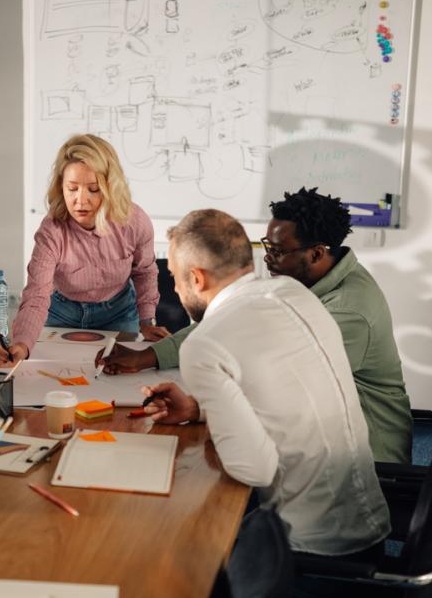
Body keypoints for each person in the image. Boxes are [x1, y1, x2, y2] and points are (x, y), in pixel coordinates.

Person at [99, 187, 412, 463]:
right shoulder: (298, 279)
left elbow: (285, 394)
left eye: (277, 251)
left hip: (363, 455)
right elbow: (234, 314)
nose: (268, 259)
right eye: (267, 246)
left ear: (317, 253)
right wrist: (150, 356)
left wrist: (197, 408)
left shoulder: (348, 313)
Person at [143, 209, 390, 558]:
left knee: (167, 546)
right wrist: (202, 409)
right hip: (368, 530)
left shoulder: (203, 344)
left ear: (196, 278)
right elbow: (281, 396)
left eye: (175, 278)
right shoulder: (294, 293)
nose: (178, 290)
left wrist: (217, 418)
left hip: (309, 554)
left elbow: (255, 469)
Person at [0, 134, 165, 366]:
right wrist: (21, 344)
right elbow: (36, 296)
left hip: (118, 312)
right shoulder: (52, 230)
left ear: (111, 187)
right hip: (61, 311)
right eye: (72, 189)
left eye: (93, 189)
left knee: (116, 377)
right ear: (61, 186)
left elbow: (145, 272)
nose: (80, 201)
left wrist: (147, 321)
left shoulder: (134, 221)